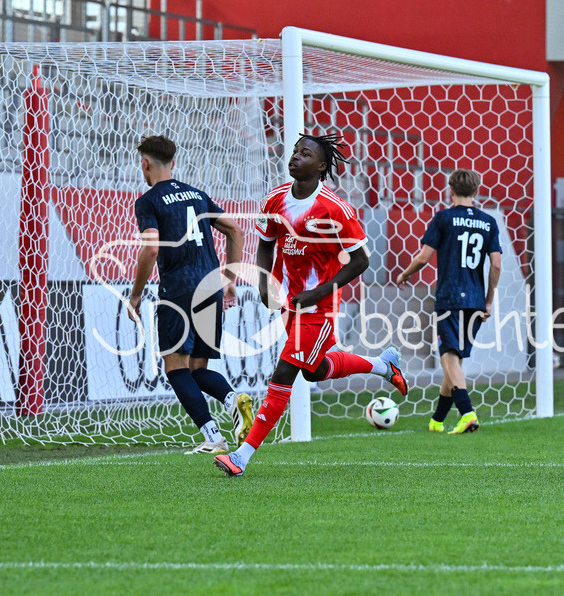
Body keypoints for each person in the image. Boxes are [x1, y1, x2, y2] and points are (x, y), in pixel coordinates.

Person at [214, 132, 408, 477]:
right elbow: (265, 243)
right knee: (312, 370)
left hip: (319, 307)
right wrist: (263, 283)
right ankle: (382, 365)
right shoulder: (274, 199)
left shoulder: (336, 209)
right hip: (289, 302)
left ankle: (241, 456)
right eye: (294, 151)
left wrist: (319, 293)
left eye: (305, 154)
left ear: (320, 167)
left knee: (284, 372)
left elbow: (361, 260)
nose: (295, 157)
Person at [128, 134, 254, 454]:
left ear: (145, 164)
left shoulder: (148, 201)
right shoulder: (198, 195)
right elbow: (236, 230)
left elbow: (151, 247)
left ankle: (213, 437)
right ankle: (233, 400)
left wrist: (135, 294)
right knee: (198, 370)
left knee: (176, 368)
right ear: (174, 163)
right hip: (211, 286)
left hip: (178, 289)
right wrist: (230, 279)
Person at [395, 169, 501, 434]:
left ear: (450, 190)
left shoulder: (443, 218)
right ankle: (437, 420)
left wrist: (405, 274)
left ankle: (467, 413)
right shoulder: (488, 222)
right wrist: (488, 300)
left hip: (450, 297)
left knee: (447, 356)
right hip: (476, 299)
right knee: (455, 360)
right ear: (476, 192)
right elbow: (497, 264)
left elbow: (423, 257)